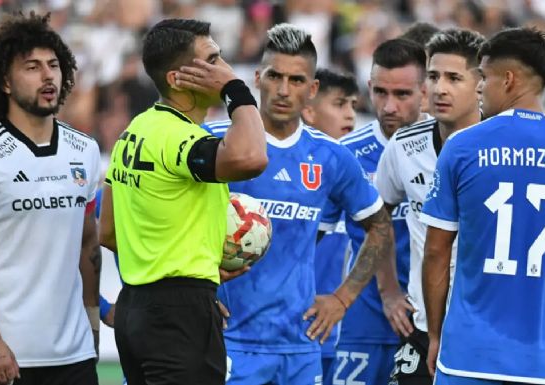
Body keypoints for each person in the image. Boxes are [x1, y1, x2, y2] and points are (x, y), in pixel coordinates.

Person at [204, 23, 395, 385]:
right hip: (230, 341)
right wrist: (191, 294)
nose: (283, 89)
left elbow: (380, 225)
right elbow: (145, 212)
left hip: (301, 346)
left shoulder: (330, 157)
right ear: (258, 77)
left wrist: (342, 298)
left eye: (296, 80)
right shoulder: (215, 143)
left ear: (312, 89)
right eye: (275, 76)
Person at [421, 27, 545, 385]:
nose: (478, 88)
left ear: (508, 80)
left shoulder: (463, 146)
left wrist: (434, 335)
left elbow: (436, 251)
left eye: (484, 77)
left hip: (468, 356)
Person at [99, 18, 268, 385]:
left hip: (135, 309)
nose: (222, 70)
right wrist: (237, 91)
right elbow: (253, 156)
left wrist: (193, 266)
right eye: (211, 61)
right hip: (178, 317)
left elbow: (108, 231)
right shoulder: (178, 136)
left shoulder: (135, 130)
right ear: (177, 79)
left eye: (220, 59)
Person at [0, 12, 101, 385]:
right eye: (32, 67)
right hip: (1, 356)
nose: (48, 76)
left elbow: (87, 244)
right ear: (6, 83)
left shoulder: (85, 150)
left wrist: (91, 325)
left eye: (54, 65)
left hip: (73, 355)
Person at [375, 28, 485, 385]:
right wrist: (389, 290)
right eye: (434, 76)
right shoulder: (402, 147)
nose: (439, 88)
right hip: (423, 328)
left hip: (483, 327)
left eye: (454, 78)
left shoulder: (502, 149)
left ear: (480, 84)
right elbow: (377, 217)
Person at [326, 38, 429, 385]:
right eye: (380, 92)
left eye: (402, 95)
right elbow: (313, 236)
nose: (388, 106)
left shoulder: (449, 151)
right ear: (369, 87)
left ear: (424, 92)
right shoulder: (344, 155)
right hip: (358, 323)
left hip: (426, 326)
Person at [301, 67, 359, 384]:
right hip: (295, 328)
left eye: (352, 104)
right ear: (308, 111)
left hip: (344, 329)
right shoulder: (290, 172)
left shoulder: (358, 171)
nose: (350, 114)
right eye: (339, 104)